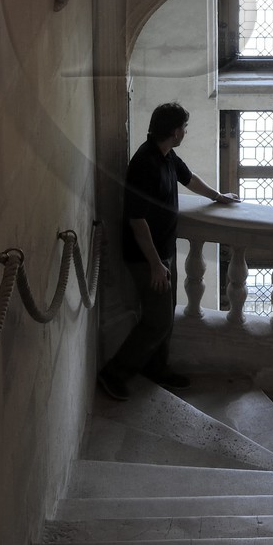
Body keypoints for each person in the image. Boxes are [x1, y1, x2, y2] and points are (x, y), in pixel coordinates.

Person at [97, 103, 236, 402]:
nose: (186, 132)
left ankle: (157, 368)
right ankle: (114, 373)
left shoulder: (167, 155)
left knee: (165, 318)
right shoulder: (144, 164)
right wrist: (156, 265)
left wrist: (217, 196)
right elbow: (136, 220)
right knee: (158, 321)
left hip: (163, 253)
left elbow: (189, 178)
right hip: (148, 258)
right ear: (174, 131)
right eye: (184, 127)